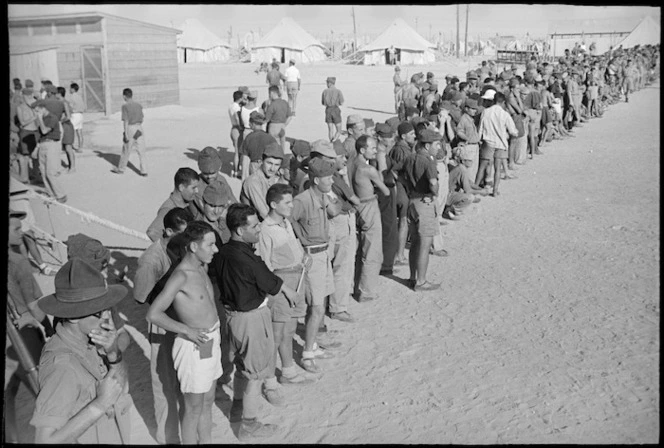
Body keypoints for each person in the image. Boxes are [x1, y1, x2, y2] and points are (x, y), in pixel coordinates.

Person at [213, 203, 299, 440]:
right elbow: (270, 283)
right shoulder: (247, 259)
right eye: (254, 226)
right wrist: (289, 291)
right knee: (256, 375)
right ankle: (248, 425)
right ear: (240, 230)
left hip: (233, 318)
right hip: (251, 319)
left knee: (243, 367)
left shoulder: (223, 253)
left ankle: (237, 410)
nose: (259, 229)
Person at [30, 258, 131, 444]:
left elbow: (119, 386)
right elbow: (44, 441)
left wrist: (114, 354)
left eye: (108, 309)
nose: (108, 317)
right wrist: (99, 406)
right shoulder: (63, 367)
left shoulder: (90, 341)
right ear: (75, 316)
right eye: (100, 311)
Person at [147, 221, 221, 445]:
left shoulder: (202, 267)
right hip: (193, 346)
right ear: (193, 246)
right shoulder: (181, 276)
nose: (215, 249)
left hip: (211, 339)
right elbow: (153, 314)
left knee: (207, 401)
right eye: (210, 245)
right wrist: (186, 330)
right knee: (192, 408)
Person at [257, 183, 317, 386]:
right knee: (276, 335)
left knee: (289, 330)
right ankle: (269, 380)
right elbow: (264, 266)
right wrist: (284, 289)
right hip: (281, 285)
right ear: (274, 204)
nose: (292, 206)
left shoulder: (286, 223)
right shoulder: (266, 230)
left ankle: (288, 371)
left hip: (298, 278)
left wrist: (304, 258)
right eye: (287, 202)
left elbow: (293, 248)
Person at [6, 209, 55, 443]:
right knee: (44, 395)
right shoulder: (18, 262)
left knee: (8, 397)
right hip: (25, 335)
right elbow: (34, 303)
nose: (21, 232)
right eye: (15, 229)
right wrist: (49, 327)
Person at [289, 158, 338, 373]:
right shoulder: (302, 200)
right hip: (311, 257)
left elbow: (335, 212)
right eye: (328, 178)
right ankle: (307, 353)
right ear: (316, 180)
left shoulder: (322, 197)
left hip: (323, 254)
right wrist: (301, 244)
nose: (332, 180)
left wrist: (327, 199)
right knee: (316, 307)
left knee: (320, 304)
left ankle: (313, 345)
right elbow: (289, 222)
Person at [349, 135, 390, 302]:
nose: (375, 151)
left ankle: (353, 285)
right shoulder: (368, 170)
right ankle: (366, 291)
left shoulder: (351, 163)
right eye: (372, 148)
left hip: (356, 206)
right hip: (369, 206)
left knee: (357, 250)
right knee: (372, 251)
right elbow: (386, 190)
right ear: (362, 149)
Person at [403, 129, 443, 291]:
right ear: (427, 145)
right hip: (424, 203)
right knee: (425, 245)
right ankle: (421, 281)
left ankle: (413, 277)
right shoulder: (428, 161)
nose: (439, 147)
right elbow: (433, 182)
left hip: (412, 200)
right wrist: (434, 193)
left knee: (414, 243)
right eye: (436, 144)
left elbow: (402, 178)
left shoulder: (410, 158)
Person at [327, 139, 360, 322]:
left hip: (339, 219)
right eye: (341, 157)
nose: (345, 160)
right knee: (342, 265)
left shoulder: (331, 176)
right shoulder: (335, 178)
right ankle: (338, 307)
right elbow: (355, 200)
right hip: (341, 221)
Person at [478, 92, 518, 197]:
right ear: (503, 102)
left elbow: (480, 128)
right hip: (501, 143)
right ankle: (495, 191)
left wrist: (479, 139)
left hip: (488, 142)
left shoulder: (486, 112)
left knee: (482, 167)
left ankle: (476, 188)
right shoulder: (505, 114)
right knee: (497, 168)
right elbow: (513, 130)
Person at [146, 167, 200, 242]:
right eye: (193, 188)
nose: (197, 191)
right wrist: (171, 249)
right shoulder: (169, 208)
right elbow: (152, 232)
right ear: (181, 187)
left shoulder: (187, 202)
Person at [389, 121, 416, 265]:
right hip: (401, 188)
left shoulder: (399, 148)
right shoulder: (402, 150)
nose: (414, 136)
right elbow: (397, 170)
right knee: (403, 221)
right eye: (411, 134)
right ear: (404, 136)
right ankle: (399, 255)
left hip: (398, 187)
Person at [374, 123, 399, 276]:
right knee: (389, 228)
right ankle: (386, 265)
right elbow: (382, 175)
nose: (391, 139)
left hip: (383, 192)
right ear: (379, 137)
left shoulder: (380, 151)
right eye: (387, 137)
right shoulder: (380, 154)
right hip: (385, 192)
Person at [240, 142, 286, 220]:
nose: (272, 168)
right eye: (269, 163)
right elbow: (264, 212)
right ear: (261, 161)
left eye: (276, 165)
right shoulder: (253, 181)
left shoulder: (271, 177)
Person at [33, 100, 67, 203]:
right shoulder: (42, 119)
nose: (36, 113)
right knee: (43, 172)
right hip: (42, 145)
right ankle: (51, 194)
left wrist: (39, 119)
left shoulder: (52, 118)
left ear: (43, 108)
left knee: (50, 172)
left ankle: (61, 195)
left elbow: (44, 131)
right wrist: (36, 148)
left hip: (51, 144)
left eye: (37, 111)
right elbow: (40, 135)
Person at [445, 145, 487, 219]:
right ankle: (451, 210)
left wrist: (479, 189)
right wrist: (481, 192)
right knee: (469, 197)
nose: (472, 162)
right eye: (469, 160)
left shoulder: (460, 167)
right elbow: (468, 190)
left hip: (449, 193)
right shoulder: (462, 170)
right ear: (463, 161)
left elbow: (469, 183)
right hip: (448, 194)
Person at [112, 88, 147, 176]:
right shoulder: (139, 105)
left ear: (124, 96)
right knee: (141, 150)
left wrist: (126, 133)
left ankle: (121, 169)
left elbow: (126, 121)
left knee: (126, 149)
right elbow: (142, 118)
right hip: (139, 128)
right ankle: (144, 170)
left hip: (131, 128)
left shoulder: (125, 106)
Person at [240, 111, 279, 180]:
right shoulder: (270, 138)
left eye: (250, 122)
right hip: (267, 165)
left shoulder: (249, 137)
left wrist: (244, 177)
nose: (249, 124)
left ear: (253, 123)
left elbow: (245, 159)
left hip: (254, 165)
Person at [454, 98, 481, 183]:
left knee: (473, 171)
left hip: (474, 146)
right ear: (466, 109)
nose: (474, 111)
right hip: (468, 147)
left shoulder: (470, 119)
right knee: (468, 171)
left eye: (475, 109)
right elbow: (459, 131)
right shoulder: (464, 119)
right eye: (472, 109)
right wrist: (467, 139)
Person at [15, 88, 39, 183]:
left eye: (31, 95)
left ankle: (36, 175)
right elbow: (22, 122)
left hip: (35, 132)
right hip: (26, 132)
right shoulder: (20, 107)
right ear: (23, 96)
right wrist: (33, 117)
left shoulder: (34, 106)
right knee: (26, 156)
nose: (30, 97)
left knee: (35, 156)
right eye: (28, 95)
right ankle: (26, 178)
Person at [265, 85, 292, 153]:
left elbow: (267, 119)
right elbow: (290, 117)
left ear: (272, 93)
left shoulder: (272, 104)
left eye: (269, 94)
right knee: (282, 146)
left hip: (273, 126)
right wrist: (284, 125)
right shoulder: (285, 103)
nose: (269, 96)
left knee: (273, 146)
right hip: (282, 126)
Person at [56, 86, 76, 173]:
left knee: (68, 147)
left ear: (59, 94)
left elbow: (68, 116)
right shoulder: (61, 102)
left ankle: (73, 167)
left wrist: (60, 121)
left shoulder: (64, 103)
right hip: (63, 126)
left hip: (66, 126)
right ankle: (70, 165)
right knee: (65, 147)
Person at [321, 76, 345, 142]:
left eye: (327, 82)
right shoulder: (338, 91)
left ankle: (331, 141)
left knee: (330, 129)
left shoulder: (325, 91)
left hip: (328, 109)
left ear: (330, 83)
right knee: (339, 130)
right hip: (335, 109)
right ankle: (334, 140)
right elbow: (341, 102)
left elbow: (323, 103)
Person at [229, 90, 245, 177]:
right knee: (238, 152)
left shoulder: (231, 106)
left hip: (232, 128)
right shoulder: (237, 108)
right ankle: (236, 170)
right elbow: (237, 117)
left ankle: (235, 169)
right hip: (237, 129)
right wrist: (240, 126)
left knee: (237, 151)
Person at [68, 83, 85, 152]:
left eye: (70, 88)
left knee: (70, 130)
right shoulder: (79, 97)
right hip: (80, 115)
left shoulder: (72, 97)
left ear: (72, 89)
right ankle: (80, 148)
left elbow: (70, 107)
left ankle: (69, 146)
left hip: (74, 115)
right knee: (79, 132)